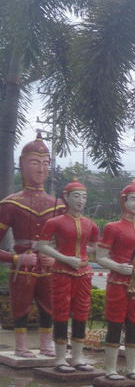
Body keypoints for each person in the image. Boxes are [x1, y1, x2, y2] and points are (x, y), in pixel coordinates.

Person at [0, 133, 65, 357]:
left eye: (45, 163)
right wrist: (16, 258)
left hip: (48, 267)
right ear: (22, 164)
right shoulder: (11, 204)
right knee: (21, 305)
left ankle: (46, 345)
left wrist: (55, 257)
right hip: (23, 266)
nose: (41, 169)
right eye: (34, 162)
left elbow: (69, 245)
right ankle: (21, 345)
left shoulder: (57, 205)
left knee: (50, 306)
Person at [36, 178, 100, 372]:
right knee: (61, 312)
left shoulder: (91, 224)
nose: (81, 200)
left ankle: (78, 356)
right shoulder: (54, 222)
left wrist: (82, 255)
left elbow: (95, 247)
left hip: (83, 272)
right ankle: (60, 358)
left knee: (82, 312)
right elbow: (42, 246)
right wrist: (63, 257)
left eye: (84, 197)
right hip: (61, 272)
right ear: (66, 197)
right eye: (76, 196)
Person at [95, 181, 135, 380]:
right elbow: (100, 256)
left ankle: (132, 368)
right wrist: (118, 266)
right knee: (114, 323)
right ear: (124, 201)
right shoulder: (113, 228)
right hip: (118, 283)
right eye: (134, 199)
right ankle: (110, 369)